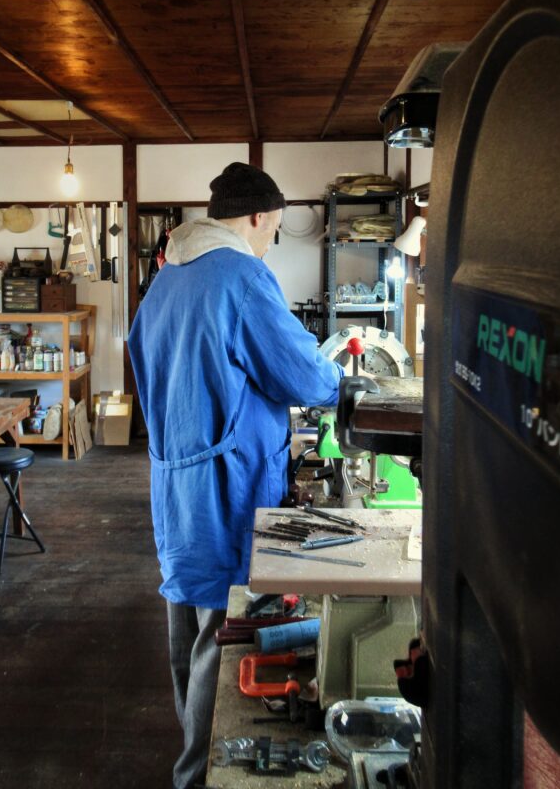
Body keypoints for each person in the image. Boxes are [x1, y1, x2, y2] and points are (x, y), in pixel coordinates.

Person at [128, 162, 343, 789]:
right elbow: (305, 376)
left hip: (175, 481)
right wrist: (340, 379)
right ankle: (196, 774)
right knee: (222, 639)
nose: (270, 240)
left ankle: (190, 748)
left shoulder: (169, 275)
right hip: (227, 483)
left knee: (189, 625)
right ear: (256, 216)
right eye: (273, 228)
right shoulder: (242, 276)